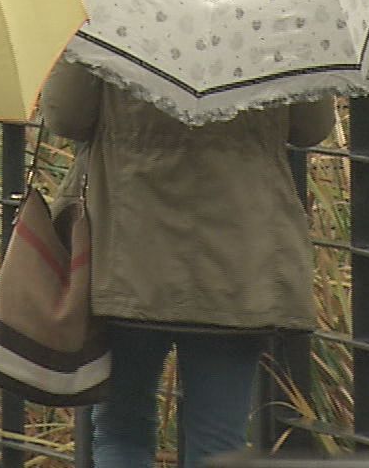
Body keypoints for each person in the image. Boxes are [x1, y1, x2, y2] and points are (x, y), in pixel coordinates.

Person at [37, 61, 335, 468]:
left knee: (119, 428)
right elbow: (311, 126)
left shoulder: (109, 24)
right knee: (219, 441)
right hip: (239, 252)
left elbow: (66, 115)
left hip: (128, 248)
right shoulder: (282, 25)